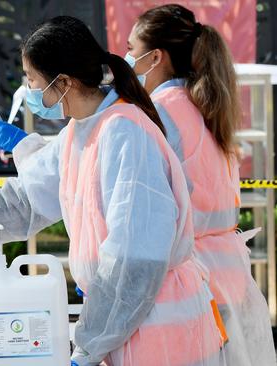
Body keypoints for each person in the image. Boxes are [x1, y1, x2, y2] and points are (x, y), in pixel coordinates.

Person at [0, 16, 228, 366]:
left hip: (163, 334)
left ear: (65, 83)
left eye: (32, 79)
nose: (29, 91)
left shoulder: (125, 134)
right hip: (126, 325)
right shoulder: (83, 130)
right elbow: (21, 203)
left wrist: (88, 344)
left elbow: (133, 262)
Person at [125, 4, 276, 365]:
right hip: (225, 275)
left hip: (189, 281)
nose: (125, 57)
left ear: (155, 56)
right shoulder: (203, 104)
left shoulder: (158, 112)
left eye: (131, 49)